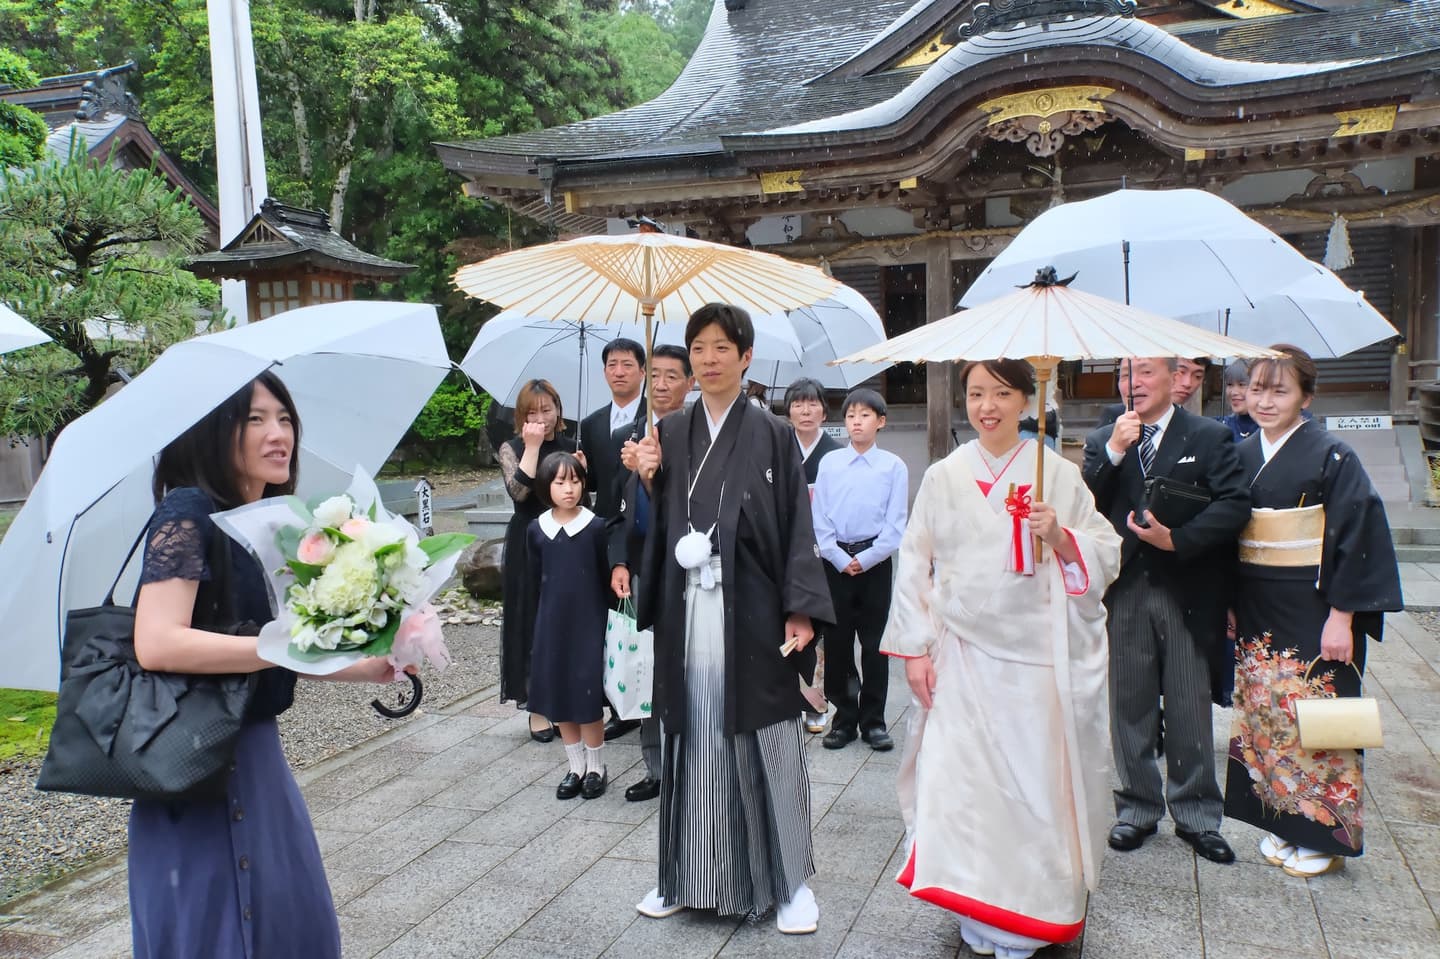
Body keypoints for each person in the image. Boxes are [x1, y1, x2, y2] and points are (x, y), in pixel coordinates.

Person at [130, 372, 406, 959]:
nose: (278, 434)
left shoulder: (261, 523)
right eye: (254, 419)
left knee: (291, 926)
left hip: (256, 756)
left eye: (284, 419)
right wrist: (272, 646)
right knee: (218, 933)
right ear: (212, 430)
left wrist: (367, 666)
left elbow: (277, 647)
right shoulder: (187, 511)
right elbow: (156, 642)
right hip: (194, 763)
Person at [883, 359, 1120, 959]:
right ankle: (973, 902)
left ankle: (1030, 912)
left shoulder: (1057, 474)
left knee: (1031, 787)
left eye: (1002, 393)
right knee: (964, 784)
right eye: (976, 393)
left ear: (1025, 400)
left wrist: (1061, 537)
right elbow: (914, 562)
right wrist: (915, 649)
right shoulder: (943, 474)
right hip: (961, 653)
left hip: (1033, 661)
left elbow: (1106, 552)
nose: (987, 406)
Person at [631, 303, 834, 934]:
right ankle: (685, 876)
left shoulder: (771, 432)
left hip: (753, 608)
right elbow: (661, 522)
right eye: (698, 348)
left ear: (746, 357)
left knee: (766, 740)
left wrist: (800, 608)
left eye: (723, 347)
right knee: (691, 735)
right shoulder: (671, 430)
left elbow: (796, 523)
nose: (709, 359)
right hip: (689, 610)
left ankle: (790, 881)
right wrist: (648, 478)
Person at [1223, 345, 1402, 878]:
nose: (1264, 400)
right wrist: (1229, 601)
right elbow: (1228, 534)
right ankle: (1283, 822)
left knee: (1318, 714)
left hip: (1316, 605)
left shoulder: (1334, 456)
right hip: (1257, 603)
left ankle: (1324, 836)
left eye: (1279, 390)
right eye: (1257, 388)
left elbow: (1357, 536)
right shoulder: (1241, 453)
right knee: (1267, 713)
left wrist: (1343, 617)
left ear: (1306, 397)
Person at [1082, 357, 1250, 865]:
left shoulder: (1208, 436)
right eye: (1124, 375)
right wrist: (1115, 452)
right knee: (1128, 701)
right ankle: (1137, 806)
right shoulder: (1103, 440)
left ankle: (1197, 814)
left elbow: (1234, 504)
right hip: (1126, 587)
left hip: (1187, 585)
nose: (1132, 384)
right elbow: (1084, 506)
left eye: (1145, 373)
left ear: (1174, 379)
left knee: (1188, 701)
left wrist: (1179, 539)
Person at [610, 343, 694, 802]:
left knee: (687, 666)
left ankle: (692, 765)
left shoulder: (697, 434)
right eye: (655, 375)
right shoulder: (628, 435)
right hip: (642, 566)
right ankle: (655, 765)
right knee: (646, 667)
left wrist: (649, 476)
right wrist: (619, 561)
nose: (661, 385)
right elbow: (615, 513)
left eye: (671, 376)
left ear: (689, 382)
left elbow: (684, 506)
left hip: (684, 569)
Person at [812, 388, 907, 752]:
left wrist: (866, 559)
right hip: (835, 561)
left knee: (874, 645)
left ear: (880, 421)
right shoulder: (830, 464)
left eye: (865, 415)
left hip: (875, 563)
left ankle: (874, 721)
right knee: (837, 644)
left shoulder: (893, 467)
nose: (856, 422)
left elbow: (896, 524)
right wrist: (838, 557)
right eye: (851, 415)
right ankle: (844, 719)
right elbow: (820, 516)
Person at [528, 450, 612, 800]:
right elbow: (535, 579)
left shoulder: (595, 527)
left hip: (588, 622)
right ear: (545, 486)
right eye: (560, 482)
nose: (569, 489)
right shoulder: (537, 529)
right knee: (560, 694)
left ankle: (596, 767)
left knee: (586, 695)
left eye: (575, 481)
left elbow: (606, 576)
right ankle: (575, 766)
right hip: (551, 624)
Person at [498, 379, 579, 742]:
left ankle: (563, 702)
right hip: (529, 539)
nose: (541, 418)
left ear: (558, 410)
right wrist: (531, 448)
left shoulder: (572, 446)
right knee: (531, 620)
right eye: (532, 412)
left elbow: (581, 499)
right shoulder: (512, 447)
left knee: (565, 621)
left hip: (566, 539)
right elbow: (518, 491)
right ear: (521, 416)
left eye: (547, 410)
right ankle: (537, 706)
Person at [580, 336, 648, 743]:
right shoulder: (590, 424)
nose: (619, 372)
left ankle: (647, 696)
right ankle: (617, 703)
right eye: (612, 365)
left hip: (640, 528)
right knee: (610, 616)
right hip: (604, 529)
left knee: (641, 614)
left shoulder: (653, 417)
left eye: (627, 364)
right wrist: (579, 468)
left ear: (642, 371)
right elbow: (591, 484)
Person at [784, 376, 842, 733]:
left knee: (820, 625)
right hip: (787, 548)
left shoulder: (836, 453)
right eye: (798, 404)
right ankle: (788, 697)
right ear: (788, 411)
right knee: (788, 621)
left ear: (824, 410)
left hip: (826, 549)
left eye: (812, 404)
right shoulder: (778, 446)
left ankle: (817, 700)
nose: (805, 411)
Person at [1097, 355, 1211, 429]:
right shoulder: (1116, 416)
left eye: (1198, 376)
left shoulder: (1203, 430)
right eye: (1181, 372)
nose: (1187, 383)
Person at [1218, 361, 1258, 443]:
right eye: (1229, 384)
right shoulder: (1219, 426)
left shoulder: (1269, 429)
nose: (1234, 392)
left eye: (1241, 385)